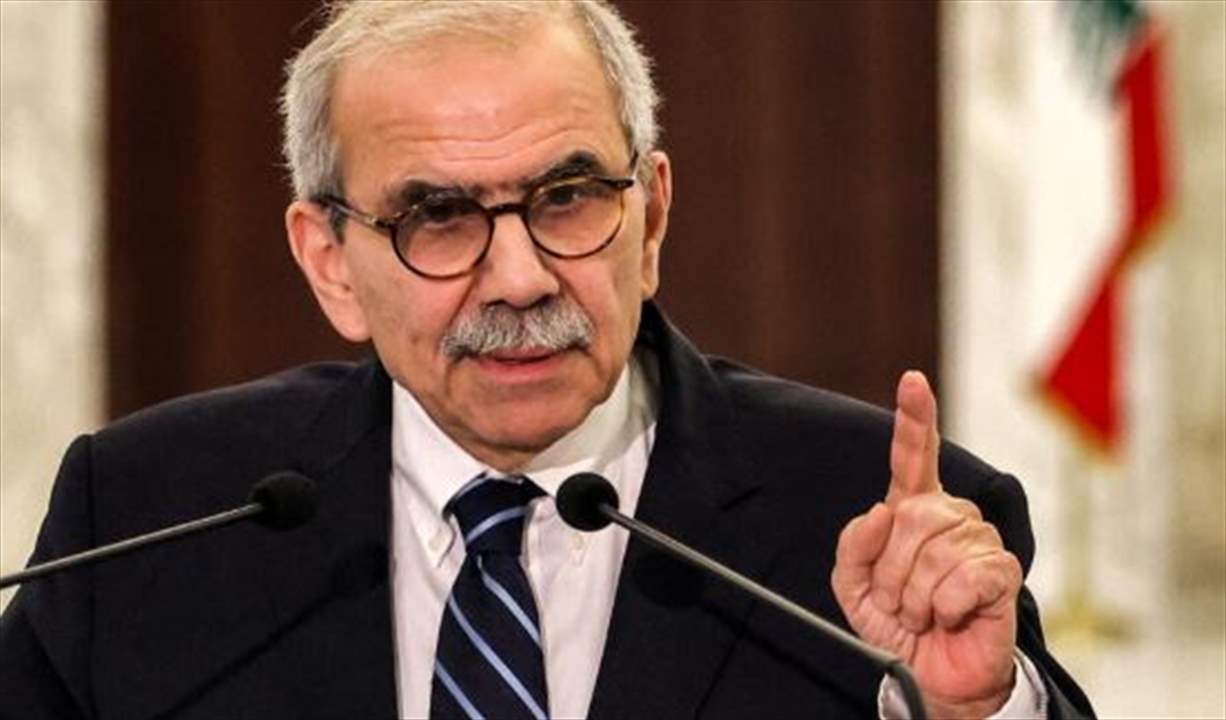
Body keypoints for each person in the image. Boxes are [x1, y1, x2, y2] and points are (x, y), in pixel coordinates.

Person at [0, 2, 1093, 718]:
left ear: (650, 217)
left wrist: (971, 711)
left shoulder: (875, 522)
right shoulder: (142, 522)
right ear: (329, 263)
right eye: (437, 217)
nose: (520, 279)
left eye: (568, 197)